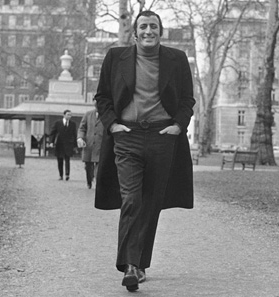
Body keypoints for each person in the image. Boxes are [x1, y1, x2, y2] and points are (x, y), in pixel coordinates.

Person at [94, 10, 195, 292]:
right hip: (128, 137)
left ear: (160, 32)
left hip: (163, 137)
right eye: (143, 27)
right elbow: (102, 97)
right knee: (131, 200)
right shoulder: (116, 58)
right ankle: (129, 265)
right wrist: (112, 125)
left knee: (151, 204)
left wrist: (178, 125)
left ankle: (139, 264)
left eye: (154, 26)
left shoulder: (176, 59)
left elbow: (187, 98)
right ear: (135, 33)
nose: (148, 31)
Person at [77, 101, 104, 189]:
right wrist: (80, 138)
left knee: (99, 166)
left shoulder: (106, 114)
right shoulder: (88, 114)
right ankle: (89, 181)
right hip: (88, 145)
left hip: (101, 145)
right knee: (88, 166)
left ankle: (98, 182)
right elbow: (82, 128)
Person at [49, 109, 77, 181]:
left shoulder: (73, 124)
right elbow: (53, 133)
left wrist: (75, 145)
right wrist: (51, 142)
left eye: (70, 115)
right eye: (68, 115)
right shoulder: (58, 123)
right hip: (59, 144)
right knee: (60, 160)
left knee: (67, 160)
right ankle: (61, 175)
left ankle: (67, 174)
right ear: (64, 115)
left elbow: (74, 135)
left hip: (68, 144)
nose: (69, 116)